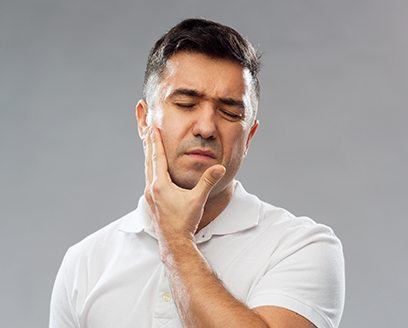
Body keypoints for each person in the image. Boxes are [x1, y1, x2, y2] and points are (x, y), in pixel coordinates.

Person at [49, 18, 345, 328]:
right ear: (143, 120)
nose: (206, 127)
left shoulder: (301, 246)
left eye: (230, 112)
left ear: (249, 137)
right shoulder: (84, 263)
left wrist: (176, 240)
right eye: (186, 103)